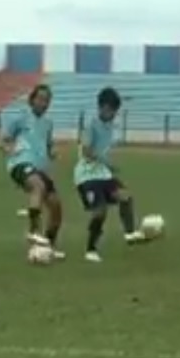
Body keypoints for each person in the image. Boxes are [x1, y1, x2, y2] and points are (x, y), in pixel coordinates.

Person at [76, 87, 147, 262]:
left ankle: (130, 234)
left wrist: (109, 166)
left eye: (115, 111)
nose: (114, 114)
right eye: (112, 110)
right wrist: (104, 161)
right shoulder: (91, 124)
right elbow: (86, 151)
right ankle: (90, 249)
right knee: (100, 211)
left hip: (103, 174)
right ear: (102, 108)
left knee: (125, 197)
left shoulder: (110, 125)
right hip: (87, 176)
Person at [1, 84, 64, 258]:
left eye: (47, 100)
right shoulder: (21, 118)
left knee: (56, 207)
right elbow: (4, 139)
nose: (44, 103)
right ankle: (34, 230)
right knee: (37, 186)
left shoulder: (48, 123)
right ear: (32, 100)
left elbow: (49, 145)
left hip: (40, 168)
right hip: (21, 163)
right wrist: (8, 149)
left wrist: (53, 152)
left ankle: (48, 247)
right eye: (41, 99)